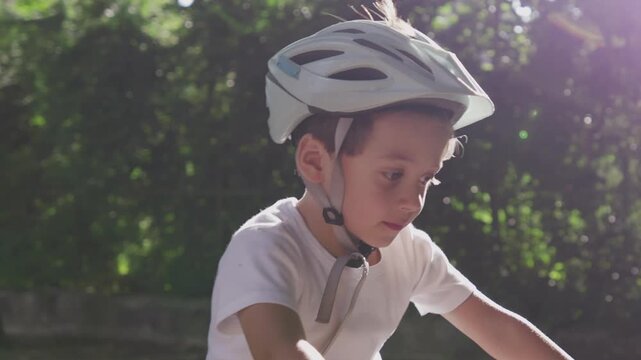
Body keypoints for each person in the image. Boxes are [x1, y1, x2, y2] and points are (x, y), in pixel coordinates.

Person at [206, 1, 574, 359]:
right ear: (315, 161)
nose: (412, 202)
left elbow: (501, 332)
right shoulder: (265, 246)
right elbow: (279, 351)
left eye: (426, 178)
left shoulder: (410, 253)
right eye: (393, 174)